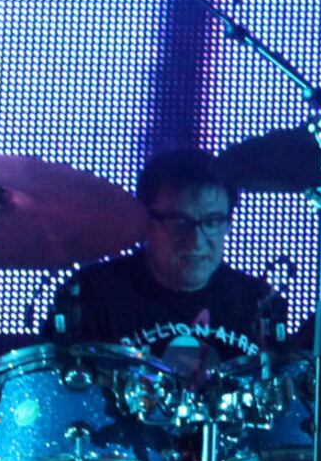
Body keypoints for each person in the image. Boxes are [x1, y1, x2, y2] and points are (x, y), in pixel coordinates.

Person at [43, 147, 289, 350]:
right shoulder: (94, 294)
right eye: (180, 222)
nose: (196, 241)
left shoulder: (256, 302)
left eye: (212, 222)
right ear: (146, 222)